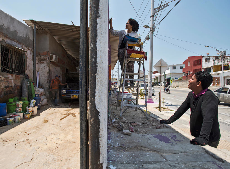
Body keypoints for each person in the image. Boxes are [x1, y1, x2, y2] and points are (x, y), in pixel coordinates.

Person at [160, 71, 220, 148]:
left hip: (209, 139)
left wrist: (203, 138)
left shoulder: (209, 97)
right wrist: (169, 121)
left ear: (198, 83)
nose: (189, 80)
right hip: (197, 136)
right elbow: (182, 109)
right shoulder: (192, 94)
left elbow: (208, 118)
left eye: (192, 79)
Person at [109, 18, 140, 86]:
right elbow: (113, 33)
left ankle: (131, 82)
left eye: (127, 23)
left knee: (130, 67)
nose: (126, 24)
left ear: (131, 25)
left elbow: (138, 43)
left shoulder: (135, 34)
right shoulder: (122, 32)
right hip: (122, 51)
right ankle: (125, 82)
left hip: (130, 52)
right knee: (123, 68)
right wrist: (110, 24)